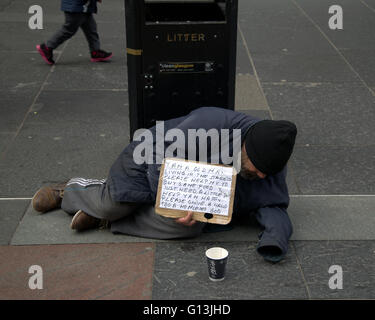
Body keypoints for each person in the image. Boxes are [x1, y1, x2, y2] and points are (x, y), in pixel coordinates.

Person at [32, 107, 297, 263]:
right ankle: (70, 190)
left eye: (267, 173)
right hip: (149, 158)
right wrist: (174, 200)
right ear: (245, 146)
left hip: (192, 192)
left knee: (187, 228)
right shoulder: (209, 124)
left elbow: (273, 203)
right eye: (257, 168)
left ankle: (105, 221)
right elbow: (159, 155)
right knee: (117, 202)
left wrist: (274, 239)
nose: (262, 176)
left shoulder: (271, 161)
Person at [36, 0, 112, 65]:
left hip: (81, 6)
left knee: (91, 27)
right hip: (76, 6)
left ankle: (95, 51)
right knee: (69, 29)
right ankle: (47, 47)